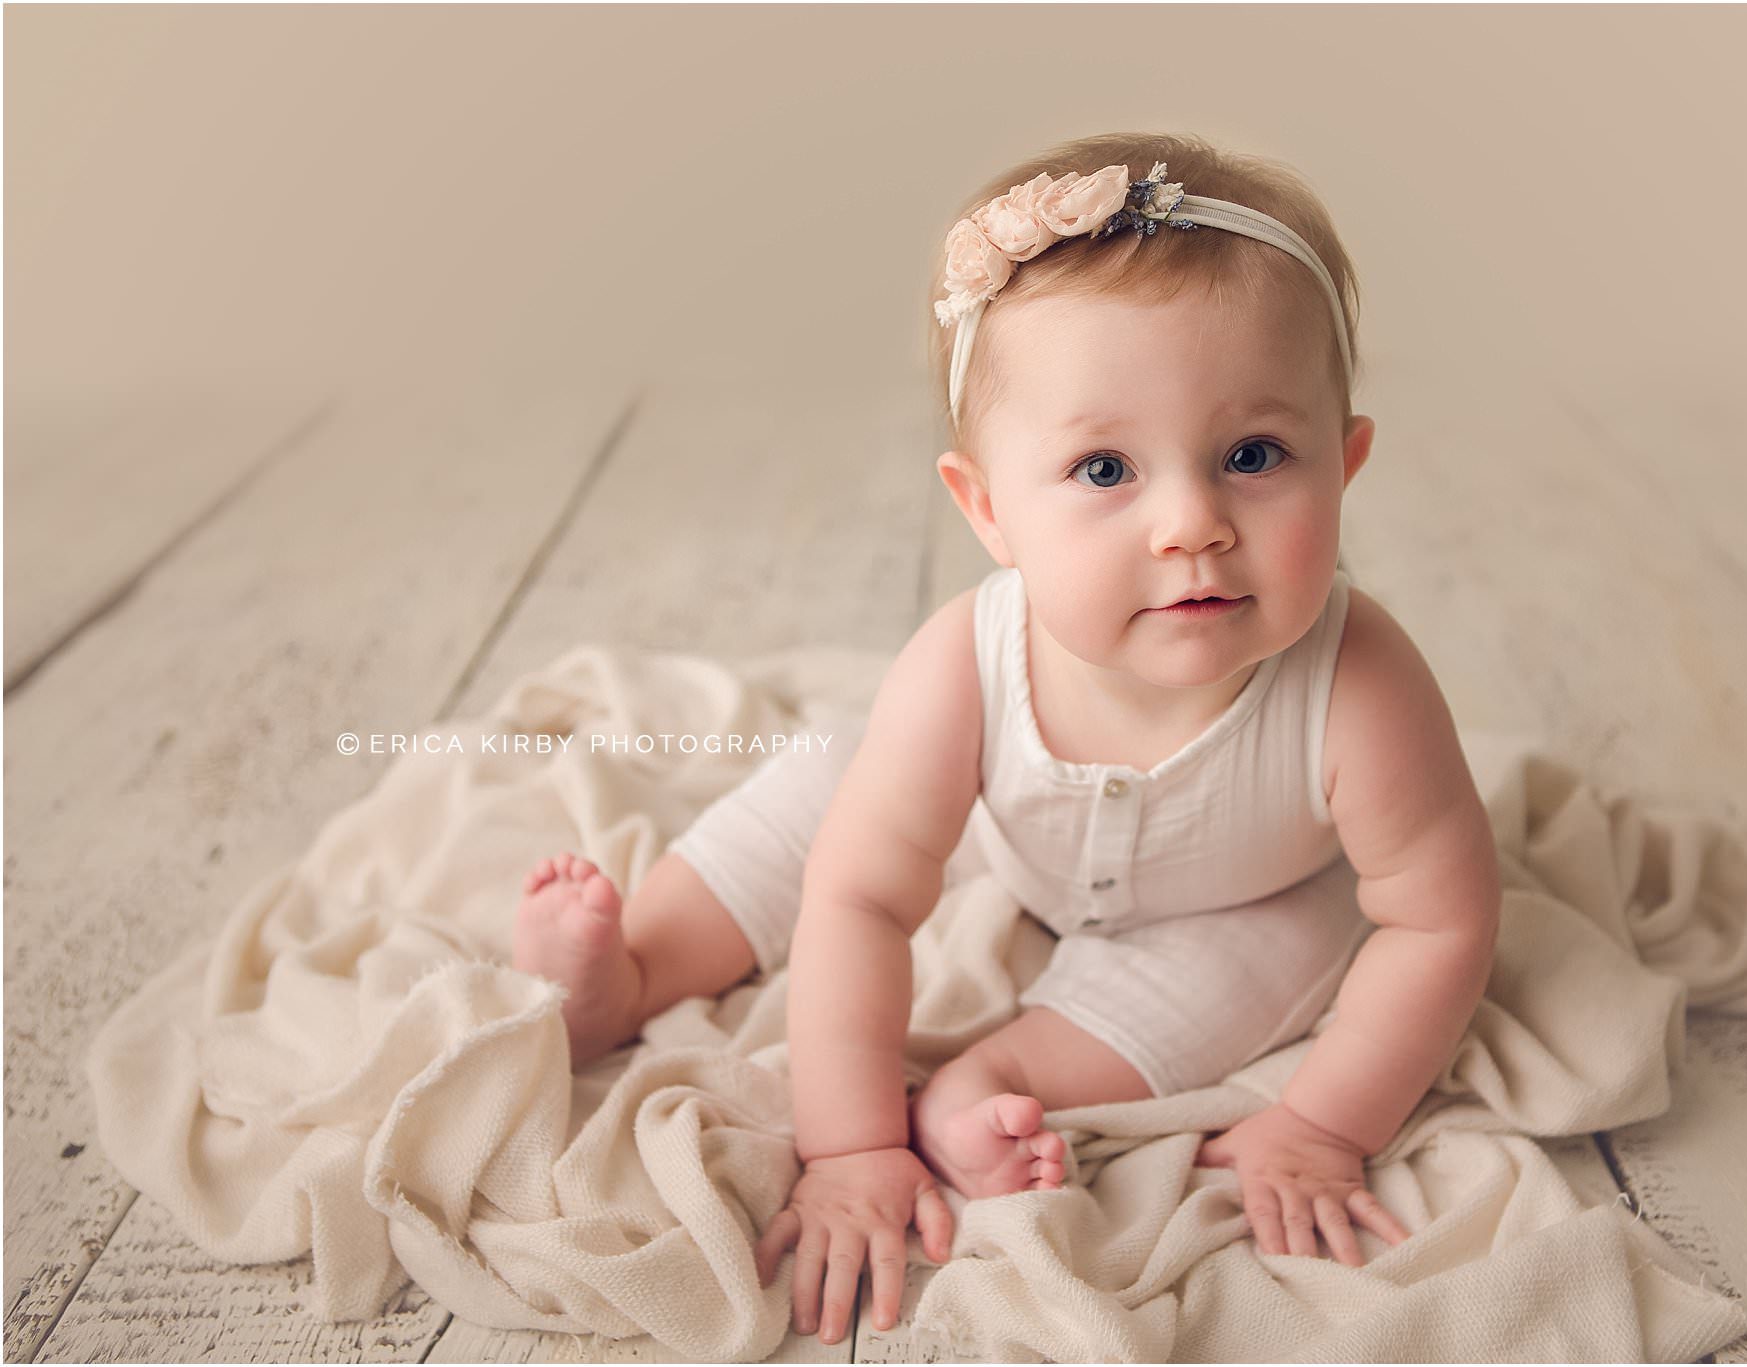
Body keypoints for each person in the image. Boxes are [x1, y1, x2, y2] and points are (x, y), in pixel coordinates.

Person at [512, 131, 1502, 1347]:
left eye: (1253, 456)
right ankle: (636, 970)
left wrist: (1322, 1119)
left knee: (1260, 958)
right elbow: (863, 903)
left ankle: (989, 1083)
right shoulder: (964, 664)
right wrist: (849, 1144)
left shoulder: (1362, 685)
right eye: (1103, 467)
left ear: (1342, 466)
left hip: (1240, 895)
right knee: (825, 794)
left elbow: (1438, 917)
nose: (1191, 523)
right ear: (986, 509)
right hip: (1003, 828)